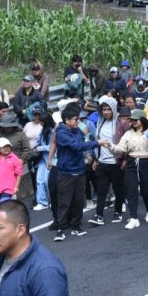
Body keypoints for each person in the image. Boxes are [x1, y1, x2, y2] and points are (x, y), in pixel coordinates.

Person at [52, 103, 98, 241]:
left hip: (79, 171)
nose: (78, 121)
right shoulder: (61, 133)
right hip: (65, 172)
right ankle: (61, 229)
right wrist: (97, 143)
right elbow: (77, 146)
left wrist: (89, 155)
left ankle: (76, 226)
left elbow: (85, 141)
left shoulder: (77, 130)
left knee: (79, 201)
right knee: (64, 202)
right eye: (76, 119)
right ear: (67, 120)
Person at [107, 110, 148, 228]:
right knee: (131, 190)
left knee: (146, 190)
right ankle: (134, 217)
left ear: (143, 120)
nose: (133, 122)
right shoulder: (128, 134)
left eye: (136, 120)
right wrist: (109, 145)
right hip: (131, 162)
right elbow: (120, 149)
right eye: (132, 120)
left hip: (147, 162)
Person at [0, 138, 24, 203]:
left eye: (8, 146)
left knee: (4, 203)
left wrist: (16, 187)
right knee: (0, 207)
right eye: (4, 147)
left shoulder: (14, 158)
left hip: (9, 188)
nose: (6, 148)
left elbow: (19, 174)